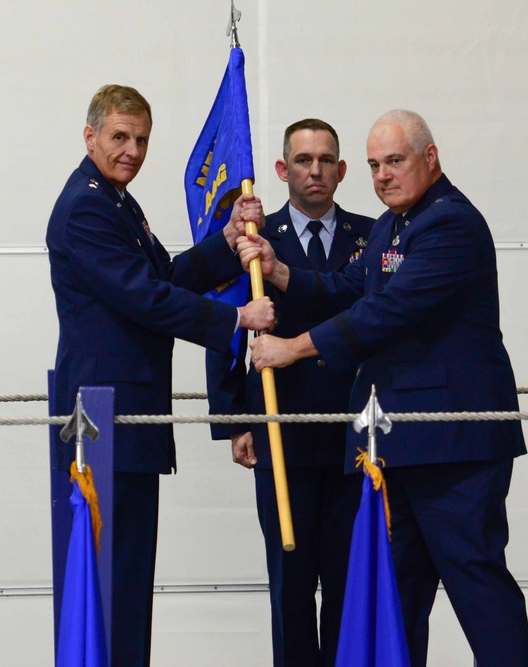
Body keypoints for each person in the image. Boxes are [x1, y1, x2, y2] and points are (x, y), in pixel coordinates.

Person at [239, 110, 528, 666]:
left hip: (455, 451)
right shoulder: (392, 224)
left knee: (480, 596)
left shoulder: (451, 224)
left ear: (431, 158)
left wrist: (292, 347)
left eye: (395, 161)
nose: (382, 175)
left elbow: (386, 312)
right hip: (397, 451)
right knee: (392, 607)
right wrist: (278, 269)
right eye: (376, 164)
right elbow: (346, 289)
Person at [46, 84, 274, 666]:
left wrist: (224, 244)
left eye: (141, 139)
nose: (131, 150)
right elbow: (143, 298)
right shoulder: (86, 206)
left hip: (127, 420)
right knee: (105, 587)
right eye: (119, 137)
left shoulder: (118, 201)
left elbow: (164, 277)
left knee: (127, 585)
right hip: (101, 421)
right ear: (90, 135)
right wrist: (237, 318)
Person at [206, 118, 374, 666]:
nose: (315, 170)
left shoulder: (371, 239)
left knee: (352, 583)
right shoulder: (255, 241)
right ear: (282, 169)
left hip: (356, 437)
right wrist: (233, 421)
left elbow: (372, 320)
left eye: (326, 160)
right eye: (303, 160)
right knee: (292, 585)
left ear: (342, 170)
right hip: (282, 435)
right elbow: (225, 328)